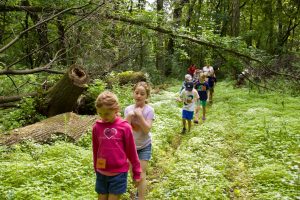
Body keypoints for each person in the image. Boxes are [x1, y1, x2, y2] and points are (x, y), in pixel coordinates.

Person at [92, 91, 141, 200]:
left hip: (118, 174)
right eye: (100, 114)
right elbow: (95, 150)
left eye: (106, 114)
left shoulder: (125, 127)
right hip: (101, 173)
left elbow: (132, 152)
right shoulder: (97, 127)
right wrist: (96, 168)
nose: (103, 117)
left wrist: (137, 172)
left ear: (116, 110)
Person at [124, 82, 155, 200]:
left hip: (144, 146)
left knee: (141, 174)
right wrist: (130, 116)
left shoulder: (149, 110)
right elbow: (124, 129)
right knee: (134, 175)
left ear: (146, 96)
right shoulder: (128, 109)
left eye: (142, 94)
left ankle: (141, 198)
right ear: (133, 93)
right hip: (130, 147)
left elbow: (147, 129)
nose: (139, 96)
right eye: (137, 93)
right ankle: (138, 192)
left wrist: (140, 116)